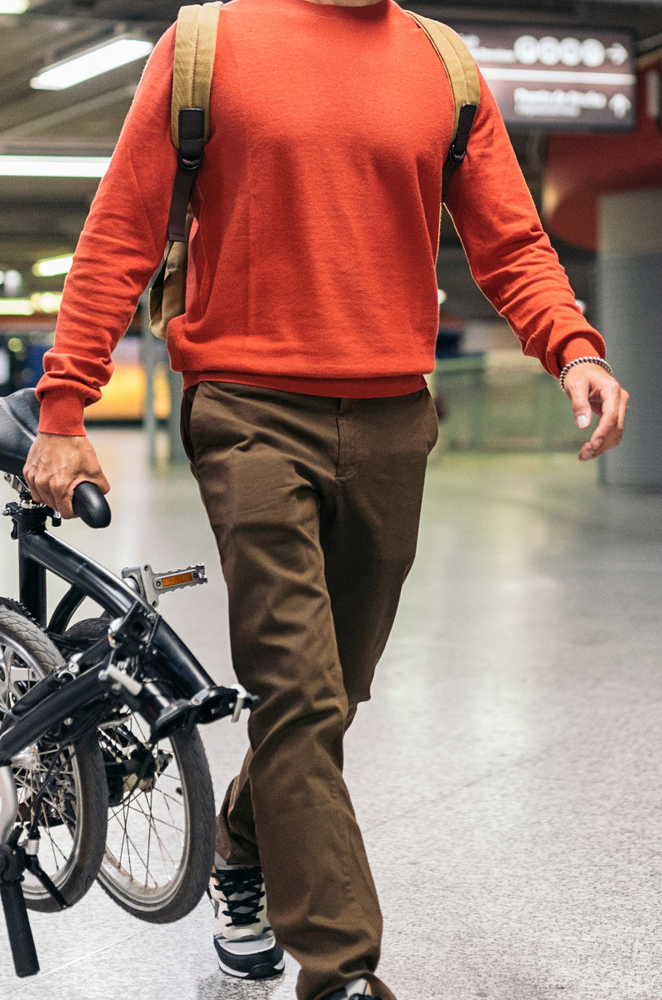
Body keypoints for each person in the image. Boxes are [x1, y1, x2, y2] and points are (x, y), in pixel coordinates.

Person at [23, 0, 629, 997]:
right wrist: (65, 401)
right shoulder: (208, 44)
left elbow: (509, 241)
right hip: (249, 410)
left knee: (333, 693)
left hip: (395, 420)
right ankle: (342, 971)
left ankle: (238, 848)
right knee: (297, 689)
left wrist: (573, 348)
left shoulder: (443, 63)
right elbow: (120, 230)